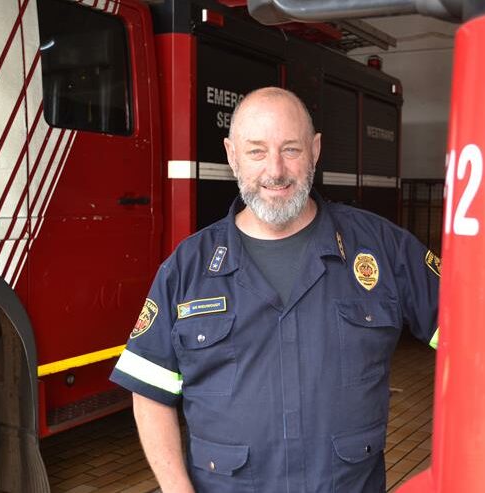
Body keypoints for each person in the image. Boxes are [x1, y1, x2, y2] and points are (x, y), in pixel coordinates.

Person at [110, 87, 440, 493]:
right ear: (232, 155)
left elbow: (475, 343)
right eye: (256, 151)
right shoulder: (187, 267)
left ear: (315, 150)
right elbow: (150, 391)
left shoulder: (383, 248)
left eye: (291, 149)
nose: (276, 170)